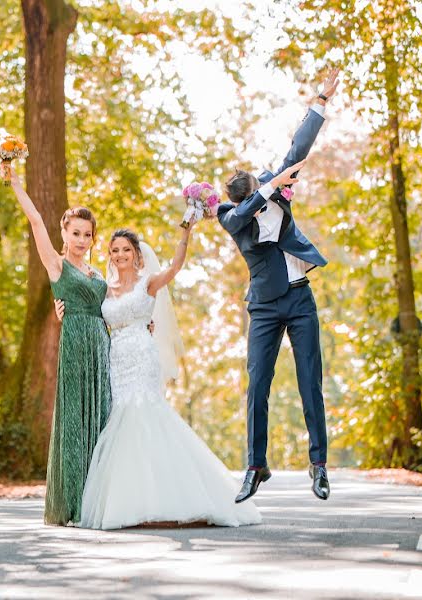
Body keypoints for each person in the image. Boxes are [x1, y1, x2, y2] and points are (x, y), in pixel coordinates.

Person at [56, 224, 261, 529]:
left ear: (136, 254)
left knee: (143, 416)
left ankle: (172, 497)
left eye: (126, 249)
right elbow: (85, 310)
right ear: (110, 255)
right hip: (116, 360)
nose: (121, 254)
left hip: (142, 356)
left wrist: (185, 232)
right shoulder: (104, 288)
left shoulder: (148, 283)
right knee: (120, 420)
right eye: (115, 250)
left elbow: (176, 267)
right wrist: (61, 312)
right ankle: (132, 499)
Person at [217, 68, 341, 503]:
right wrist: (266, 189)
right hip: (265, 307)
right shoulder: (231, 217)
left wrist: (320, 100)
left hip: (300, 298)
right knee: (257, 384)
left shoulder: (276, 185)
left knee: (311, 381)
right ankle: (254, 467)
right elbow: (239, 215)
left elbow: (299, 145)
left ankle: (319, 465)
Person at [8, 169, 111, 526]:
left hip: (102, 348)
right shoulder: (57, 265)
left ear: (93, 239)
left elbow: (117, 306)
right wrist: (17, 183)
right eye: (75, 233)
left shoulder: (99, 275)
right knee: (73, 420)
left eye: (87, 234)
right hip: (75, 345)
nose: (81, 239)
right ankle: (73, 503)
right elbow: (36, 221)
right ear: (64, 234)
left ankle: (100, 501)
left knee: (101, 418)